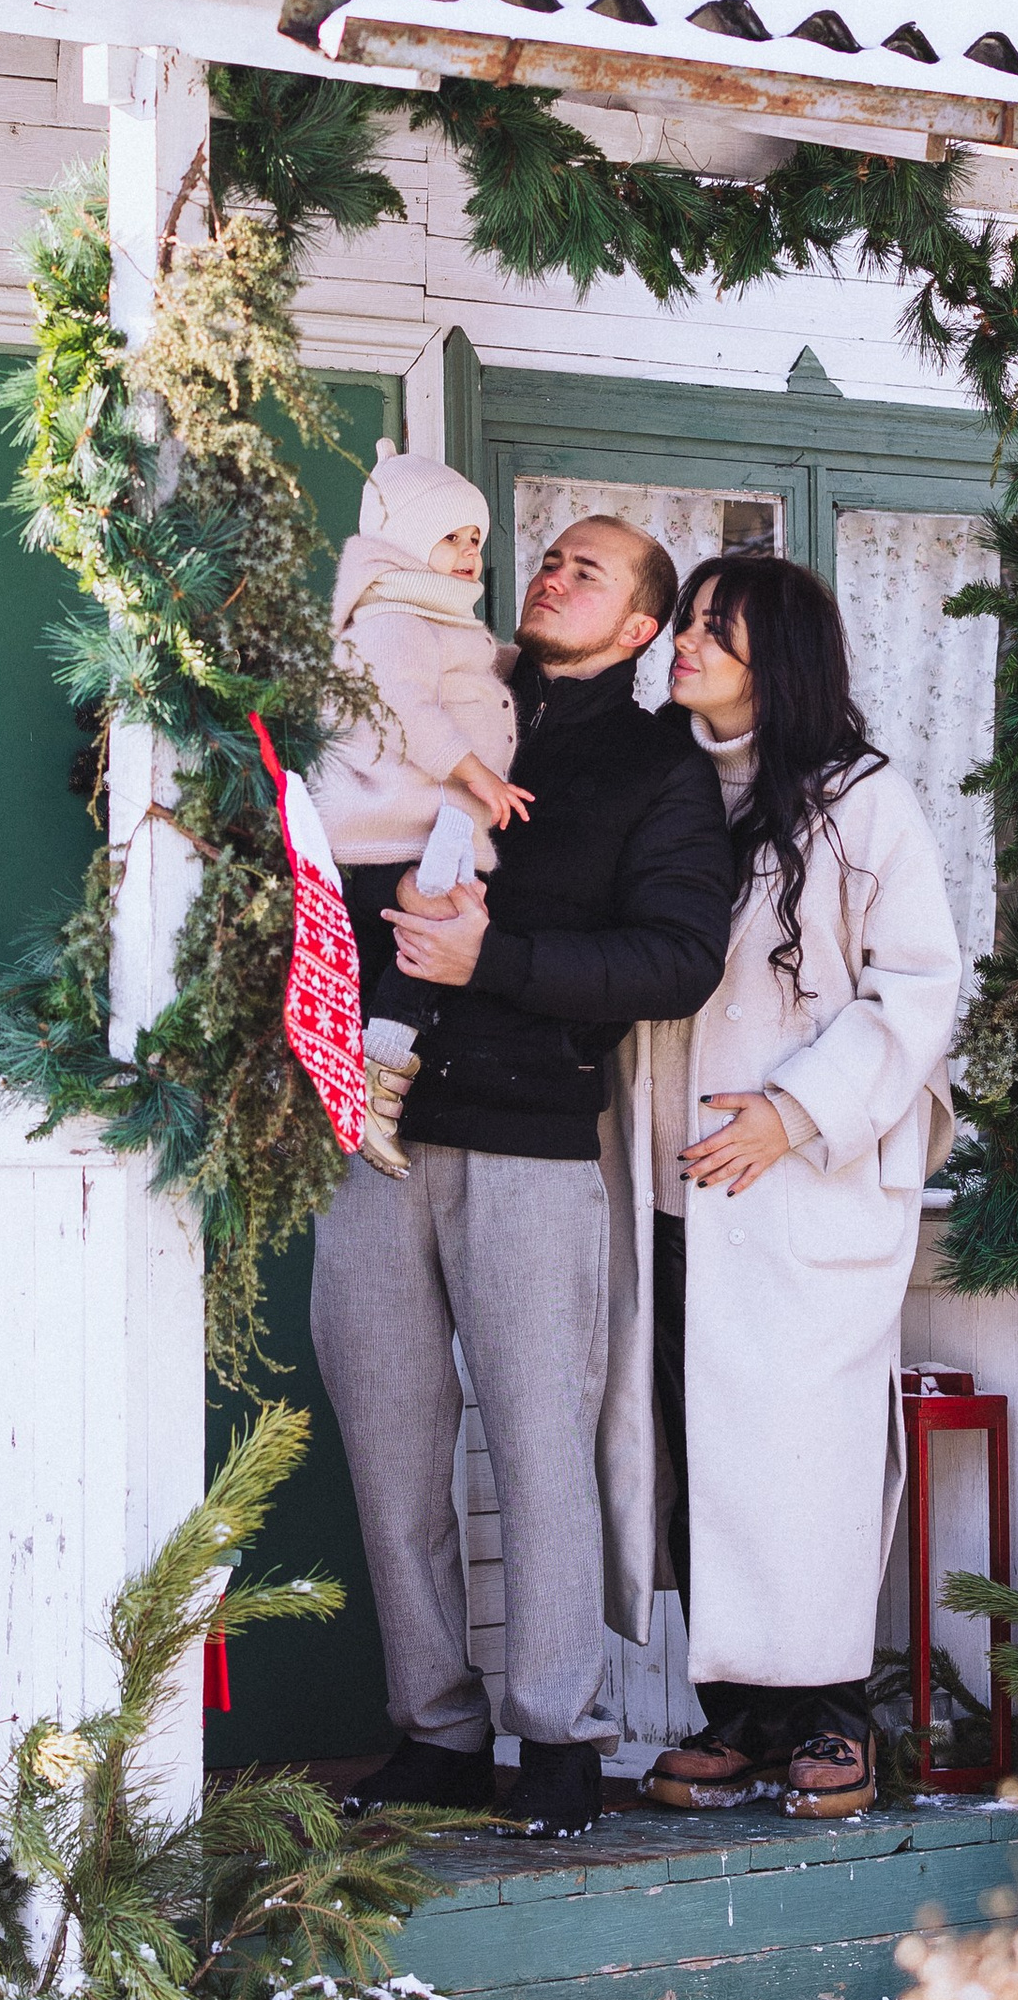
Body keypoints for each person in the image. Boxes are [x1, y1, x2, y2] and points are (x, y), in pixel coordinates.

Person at [310, 514, 736, 1836]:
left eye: (587, 571)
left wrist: (491, 963)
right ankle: (433, 1728)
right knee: (391, 1447)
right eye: (548, 556)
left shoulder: (657, 762)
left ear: (637, 629)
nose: (552, 575)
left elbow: (678, 959)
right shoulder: (444, 684)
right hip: (370, 1126)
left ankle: (558, 1734)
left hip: (533, 1139)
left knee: (541, 1441)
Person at [630, 549, 963, 1822]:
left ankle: (830, 1712)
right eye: (692, 621)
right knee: (692, 1452)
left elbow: (917, 987)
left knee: (798, 1451)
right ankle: (735, 1718)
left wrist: (791, 1110)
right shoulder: (662, 783)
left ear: (784, 661)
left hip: (804, 1189)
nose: (689, 642)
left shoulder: (859, 802)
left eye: (719, 627)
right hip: (672, 1185)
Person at [311, 450, 532, 1179]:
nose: (471, 553)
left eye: (477, 538)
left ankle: (369, 1079)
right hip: (388, 831)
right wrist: (479, 776)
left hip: (416, 831)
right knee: (431, 930)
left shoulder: (426, 618)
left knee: (421, 944)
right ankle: (374, 1082)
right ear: (404, 543)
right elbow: (406, 709)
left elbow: (458, 674)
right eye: (450, 538)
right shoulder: (393, 622)